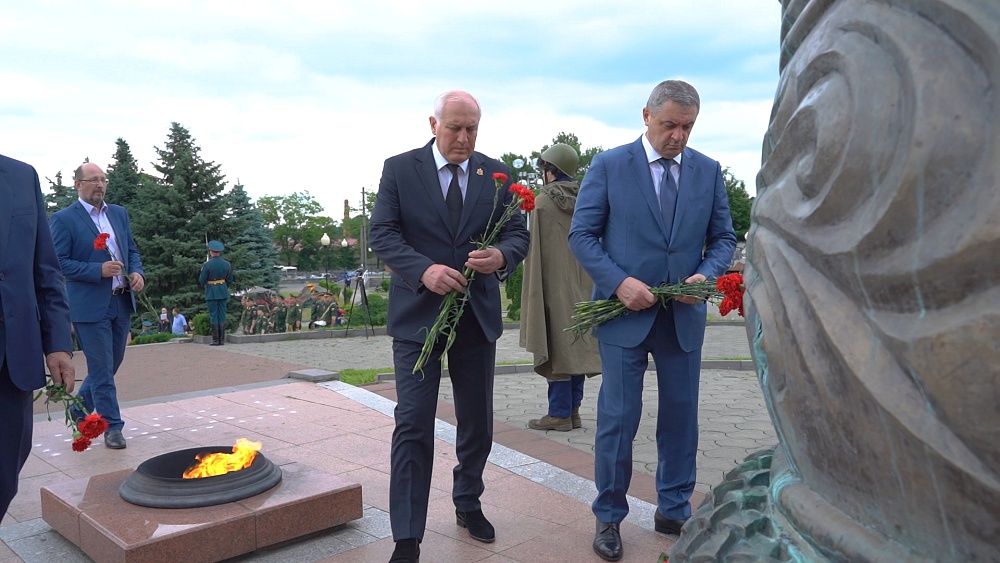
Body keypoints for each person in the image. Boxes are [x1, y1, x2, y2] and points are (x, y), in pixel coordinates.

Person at [568, 80, 736, 561]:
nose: (678, 136)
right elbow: (582, 236)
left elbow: (724, 238)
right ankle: (609, 515)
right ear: (646, 116)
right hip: (624, 313)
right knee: (619, 418)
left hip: (682, 316)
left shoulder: (708, 171)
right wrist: (619, 283)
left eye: (687, 127)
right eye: (669, 125)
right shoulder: (608, 165)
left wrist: (704, 277)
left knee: (681, 417)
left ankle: (674, 509)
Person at [369, 90, 529, 563]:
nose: (463, 138)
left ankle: (468, 502)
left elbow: (517, 233)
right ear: (433, 124)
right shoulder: (401, 169)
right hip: (417, 318)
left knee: (476, 421)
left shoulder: (496, 173)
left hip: (475, 317)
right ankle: (407, 536)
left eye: (472, 129)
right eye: (455, 128)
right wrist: (423, 270)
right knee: (413, 422)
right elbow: (382, 233)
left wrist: (501, 256)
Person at [0, 154, 75, 518]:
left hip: (12, 359)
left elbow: (45, 269)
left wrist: (57, 343)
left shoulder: (21, 176)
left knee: (4, 475)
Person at [50, 162, 145, 451]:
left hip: (121, 301)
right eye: (93, 180)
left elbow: (130, 250)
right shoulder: (64, 219)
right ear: (78, 184)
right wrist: (97, 270)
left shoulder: (119, 213)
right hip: (89, 307)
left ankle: (78, 410)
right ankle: (112, 427)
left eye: (103, 179)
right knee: (102, 370)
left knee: (111, 364)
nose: (100, 185)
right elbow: (58, 262)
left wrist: (137, 272)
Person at [519, 143, 602, 432]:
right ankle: (573, 411)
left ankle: (559, 413)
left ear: (550, 171)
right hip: (585, 286)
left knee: (556, 346)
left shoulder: (543, 202)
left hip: (553, 285)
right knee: (576, 346)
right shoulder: (586, 198)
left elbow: (536, 252)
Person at [198, 240, 233, 346]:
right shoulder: (227, 264)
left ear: (211, 251)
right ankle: (222, 340)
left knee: (214, 315)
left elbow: (202, 280)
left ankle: (216, 340)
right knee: (222, 315)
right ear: (219, 252)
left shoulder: (207, 264)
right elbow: (229, 279)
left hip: (212, 292)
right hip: (222, 291)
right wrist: (223, 287)